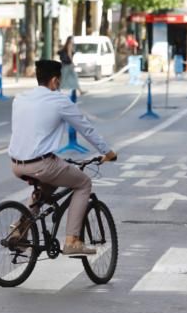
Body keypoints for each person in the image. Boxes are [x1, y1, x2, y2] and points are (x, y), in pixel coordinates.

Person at [7, 59, 117, 256]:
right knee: (83, 183)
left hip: (16, 164)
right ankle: (72, 240)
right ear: (55, 81)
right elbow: (86, 129)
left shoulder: (20, 98)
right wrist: (107, 152)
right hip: (41, 164)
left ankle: (19, 230)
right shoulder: (59, 101)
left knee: (45, 189)